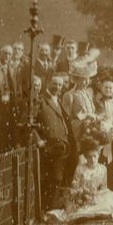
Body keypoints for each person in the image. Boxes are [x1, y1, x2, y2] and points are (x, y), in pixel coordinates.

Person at [46, 136, 113, 223]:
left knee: (110, 201)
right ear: (85, 157)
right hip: (82, 193)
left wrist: (96, 193)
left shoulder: (103, 169)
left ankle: (96, 213)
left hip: (96, 194)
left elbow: (103, 187)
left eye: (94, 156)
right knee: (78, 206)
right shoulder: (80, 168)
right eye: (89, 157)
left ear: (98, 155)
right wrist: (80, 190)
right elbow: (74, 183)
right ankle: (86, 215)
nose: (92, 160)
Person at [35, 74, 71, 210]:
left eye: (60, 85)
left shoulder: (59, 100)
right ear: (48, 83)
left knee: (57, 178)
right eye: (55, 84)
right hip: (48, 146)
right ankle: (45, 208)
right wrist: (38, 140)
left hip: (61, 146)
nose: (57, 87)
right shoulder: (40, 99)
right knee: (49, 178)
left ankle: (53, 208)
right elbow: (31, 123)